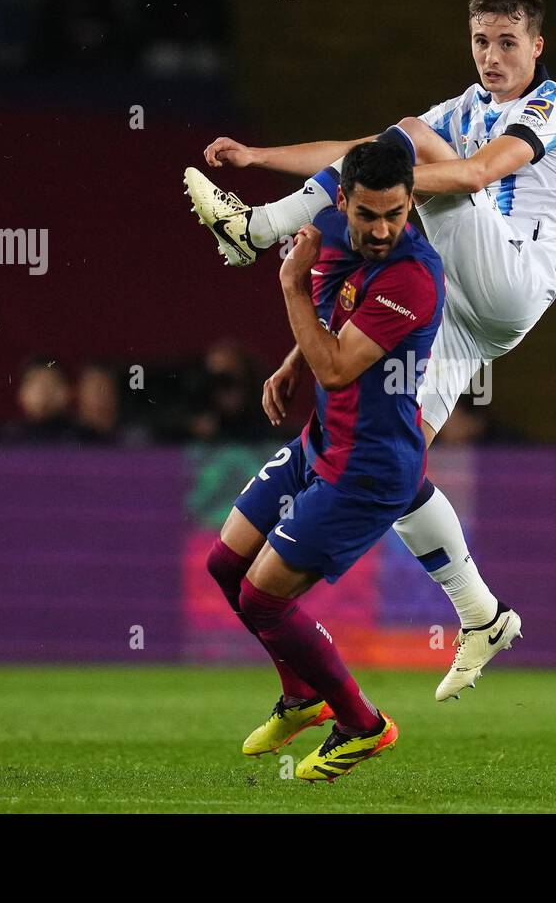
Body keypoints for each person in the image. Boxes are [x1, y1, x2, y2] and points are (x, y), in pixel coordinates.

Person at [186, 0, 556, 700]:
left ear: (537, 46)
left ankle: (258, 231)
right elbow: (360, 156)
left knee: (403, 138)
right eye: (482, 41)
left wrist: (382, 184)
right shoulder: (463, 108)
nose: (492, 56)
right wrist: (259, 154)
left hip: (512, 278)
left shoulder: (551, 107)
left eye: (508, 42)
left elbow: (476, 173)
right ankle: (482, 615)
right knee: (393, 460)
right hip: (465, 309)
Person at [204, 140, 445, 780]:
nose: (382, 229)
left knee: (262, 600)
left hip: (367, 470)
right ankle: (302, 695)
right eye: (368, 215)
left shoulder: (412, 278)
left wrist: (288, 285)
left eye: (396, 214)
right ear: (343, 202)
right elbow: (335, 322)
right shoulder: (339, 230)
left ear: (412, 201)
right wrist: (291, 361)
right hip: (322, 442)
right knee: (224, 562)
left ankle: (363, 725)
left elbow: (338, 366)